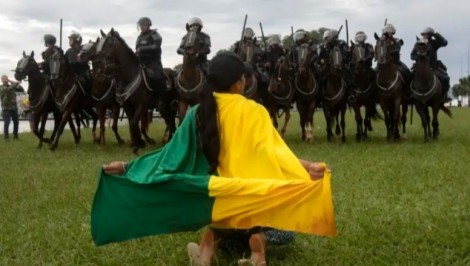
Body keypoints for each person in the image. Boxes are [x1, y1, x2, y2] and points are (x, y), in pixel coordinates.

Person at [93, 52, 336, 265]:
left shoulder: (197, 113)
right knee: (287, 230)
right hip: (255, 205)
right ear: (238, 83)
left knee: (217, 226)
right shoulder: (254, 111)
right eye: (244, 77)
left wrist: (129, 167)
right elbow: (276, 155)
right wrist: (309, 168)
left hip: (218, 208)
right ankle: (259, 246)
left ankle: (205, 252)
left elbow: (168, 157)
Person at [410, 27, 450, 102]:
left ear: (430, 35)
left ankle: (445, 95)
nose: (424, 36)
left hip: (433, 67)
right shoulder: (418, 43)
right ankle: (409, 94)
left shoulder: (434, 43)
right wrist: (418, 56)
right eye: (423, 34)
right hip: (420, 67)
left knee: (446, 78)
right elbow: (412, 55)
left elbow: (445, 43)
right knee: (409, 76)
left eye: (426, 34)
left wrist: (435, 35)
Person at [318, 29, 355, 101]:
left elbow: (347, 54)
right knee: (319, 78)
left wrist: (343, 58)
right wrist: (322, 61)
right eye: (325, 38)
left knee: (349, 78)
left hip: (341, 66)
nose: (326, 39)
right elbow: (319, 58)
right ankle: (319, 97)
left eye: (328, 38)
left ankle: (351, 95)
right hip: (327, 67)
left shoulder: (342, 43)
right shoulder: (324, 46)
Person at [380, 24, 412, 90]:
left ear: (392, 32)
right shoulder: (382, 41)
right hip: (384, 62)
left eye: (390, 31)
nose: (388, 33)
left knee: (406, 71)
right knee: (375, 73)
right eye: (387, 32)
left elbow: (397, 50)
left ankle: (408, 90)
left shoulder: (397, 41)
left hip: (395, 62)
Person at [135, 17, 165, 88]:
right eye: (140, 25)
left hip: (153, 61)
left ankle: (159, 97)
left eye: (143, 25)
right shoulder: (139, 37)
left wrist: (142, 49)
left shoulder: (154, 34)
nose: (141, 27)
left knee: (156, 77)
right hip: (141, 61)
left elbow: (156, 46)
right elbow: (137, 49)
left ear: (148, 25)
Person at [0, 75, 23, 140]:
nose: (5, 80)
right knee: (7, 123)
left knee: (16, 122)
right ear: (1, 80)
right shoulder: (1, 88)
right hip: (5, 108)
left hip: (14, 107)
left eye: (6, 78)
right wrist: (15, 84)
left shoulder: (12, 86)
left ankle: (15, 136)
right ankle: (6, 137)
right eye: (3, 79)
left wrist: (10, 81)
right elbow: (7, 90)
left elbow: (18, 86)